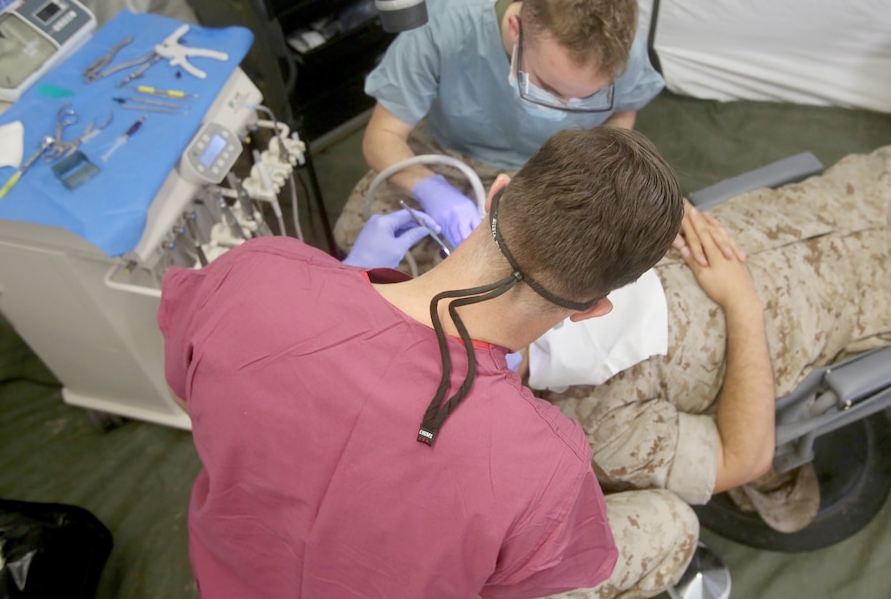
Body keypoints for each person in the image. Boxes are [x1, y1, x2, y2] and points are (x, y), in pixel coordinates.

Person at [158, 126, 701, 598]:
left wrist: (336, 285)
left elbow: (187, 393)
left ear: (496, 195)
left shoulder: (253, 276)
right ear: (594, 310)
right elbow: (513, 586)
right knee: (673, 523)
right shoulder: (546, 467)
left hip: (230, 580)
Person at [524, 113, 891, 536]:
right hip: (855, 300)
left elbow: (606, 186)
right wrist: (742, 306)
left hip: (801, 214)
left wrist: (660, 208)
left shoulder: (519, 267)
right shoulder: (592, 430)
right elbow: (742, 458)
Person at [333, 0, 665, 262]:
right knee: (355, 242)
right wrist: (431, 190)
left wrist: (592, 175)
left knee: (537, 266)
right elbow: (382, 136)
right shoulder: (448, 24)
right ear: (516, 28)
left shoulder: (626, 53)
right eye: (549, 88)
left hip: (551, 165)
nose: (564, 106)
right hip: (446, 151)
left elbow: (623, 113)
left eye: (585, 97)